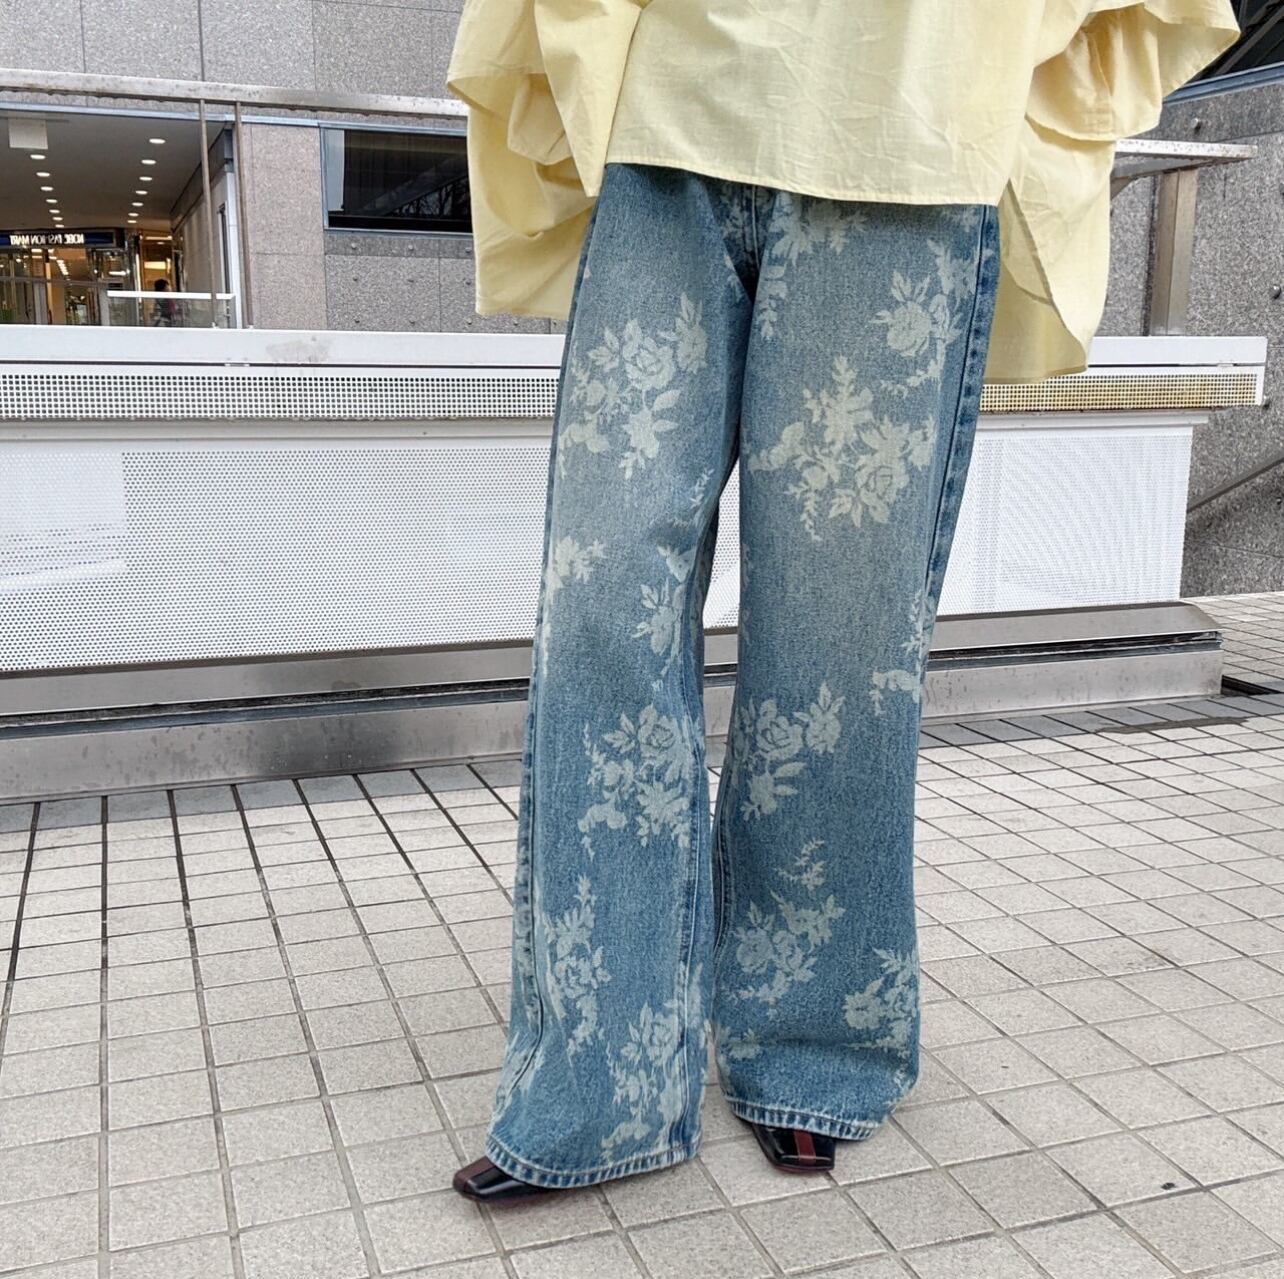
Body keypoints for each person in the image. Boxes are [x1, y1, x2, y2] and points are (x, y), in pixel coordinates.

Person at [444, 0, 1240, 1202]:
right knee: (601, 600)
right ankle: (600, 1075)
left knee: (841, 637)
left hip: (906, 126)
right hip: (665, 118)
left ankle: (812, 1041)